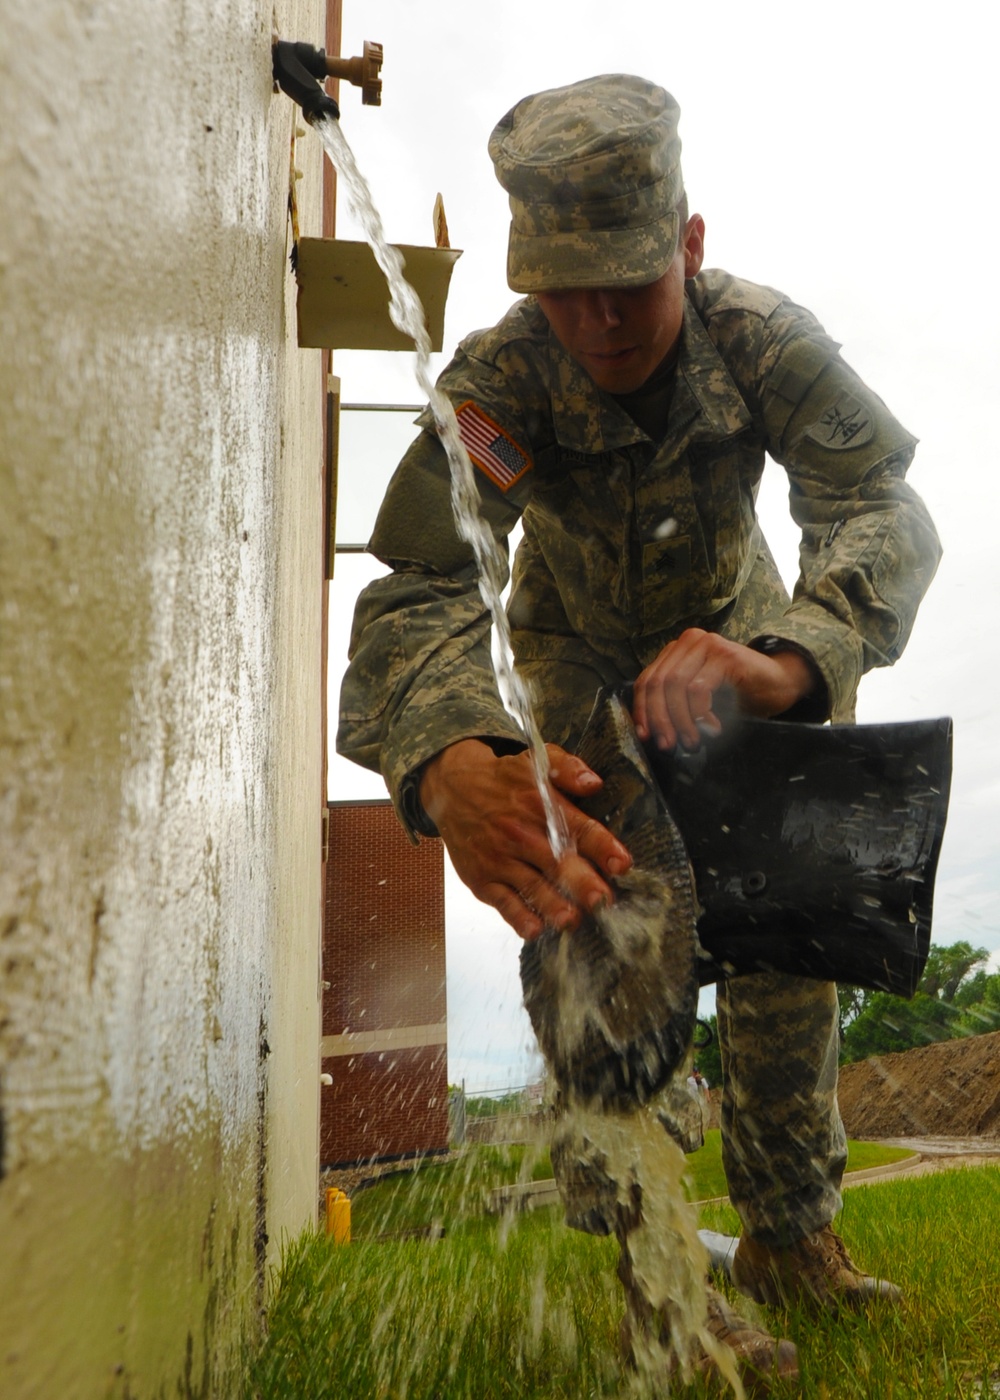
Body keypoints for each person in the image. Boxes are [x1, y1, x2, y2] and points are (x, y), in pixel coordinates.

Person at [338, 74, 940, 1391]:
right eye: (564, 286)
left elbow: (875, 500)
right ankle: (661, 1281)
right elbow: (424, 582)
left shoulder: (762, 338)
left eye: (630, 278)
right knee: (621, 944)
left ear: (692, 243)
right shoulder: (500, 383)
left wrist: (794, 657)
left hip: (746, 658)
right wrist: (455, 754)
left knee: (788, 954)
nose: (599, 317)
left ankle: (791, 1239)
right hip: (581, 677)